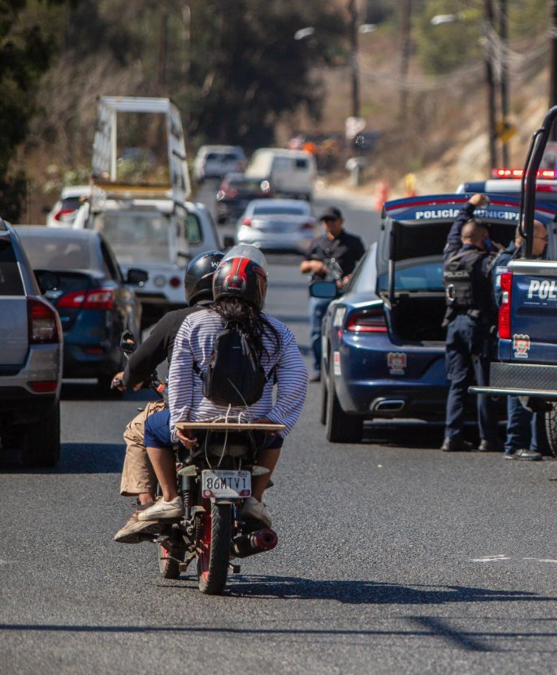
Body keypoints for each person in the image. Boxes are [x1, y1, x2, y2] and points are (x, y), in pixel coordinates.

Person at [133, 249, 308, 529]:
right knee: (275, 437)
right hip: (253, 426)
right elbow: (297, 378)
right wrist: (276, 420)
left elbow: (177, 376)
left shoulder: (194, 323)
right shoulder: (277, 332)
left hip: (198, 423)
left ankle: (169, 498)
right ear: (259, 289)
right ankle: (256, 500)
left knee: (153, 428)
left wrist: (180, 421)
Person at [112, 250, 224, 543]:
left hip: (189, 413)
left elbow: (139, 363)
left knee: (140, 429)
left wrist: (127, 379)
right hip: (244, 416)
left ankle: (150, 505)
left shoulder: (178, 319)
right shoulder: (248, 321)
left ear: (193, 285)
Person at [442, 193, 501, 453]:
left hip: (454, 325)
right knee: (482, 385)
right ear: (480, 239)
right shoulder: (486, 261)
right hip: (478, 327)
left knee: (457, 383)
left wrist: (468, 207)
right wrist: (500, 249)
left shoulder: (450, 256)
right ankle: (487, 438)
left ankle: (451, 437)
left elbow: (456, 232)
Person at [493, 218, 550, 461]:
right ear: (525, 239)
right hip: (517, 335)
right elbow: (503, 300)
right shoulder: (508, 263)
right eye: (543, 239)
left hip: (530, 335)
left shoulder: (527, 261)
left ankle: (537, 445)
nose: (546, 244)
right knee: (518, 391)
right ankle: (514, 445)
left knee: (534, 391)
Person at [300, 206, 366, 380]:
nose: (329, 224)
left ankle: (343, 370)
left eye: (332, 221)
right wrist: (313, 266)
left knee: (345, 332)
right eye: (325, 221)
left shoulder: (353, 242)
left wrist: (351, 278)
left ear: (341, 222)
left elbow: (364, 266)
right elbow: (303, 267)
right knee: (316, 332)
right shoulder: (317, 243)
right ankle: (319, 369)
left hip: (344, 294)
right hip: (320, 293)